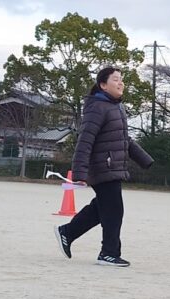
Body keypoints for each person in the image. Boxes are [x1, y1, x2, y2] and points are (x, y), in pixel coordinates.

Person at [53, 67, 154, 267]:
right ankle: (108, 253)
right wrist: (80, 172)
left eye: (121, 80)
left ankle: (67, 232)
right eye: (115, 79)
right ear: (102, 85)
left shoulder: (116, 107)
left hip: (112, 166)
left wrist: (144, 159)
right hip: (102, 167)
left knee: (102, 208)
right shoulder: (97, 107)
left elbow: (124, 139)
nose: (121, 83)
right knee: (114, 210)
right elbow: (85, 140)